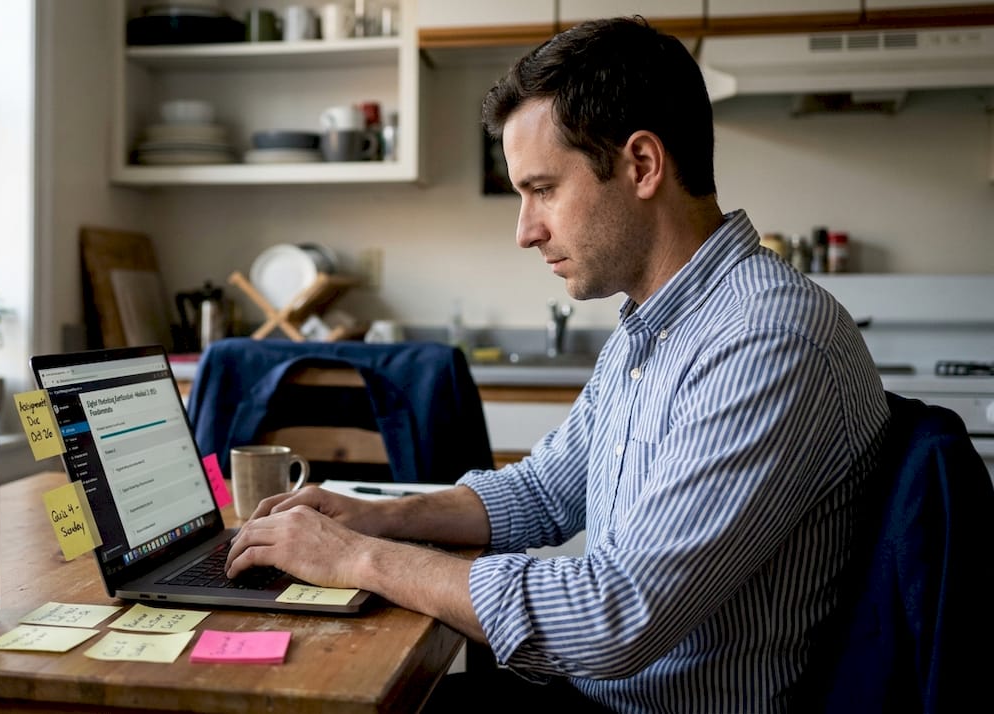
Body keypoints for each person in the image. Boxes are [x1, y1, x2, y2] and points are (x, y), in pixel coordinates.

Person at [225, 16, 889, 712]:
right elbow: (545, 492)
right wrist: (378, 518)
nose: (525, 230)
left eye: (542, 189)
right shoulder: (657, 325)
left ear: (642, 165)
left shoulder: (765, 339)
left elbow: (614, 615)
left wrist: (356, 558)